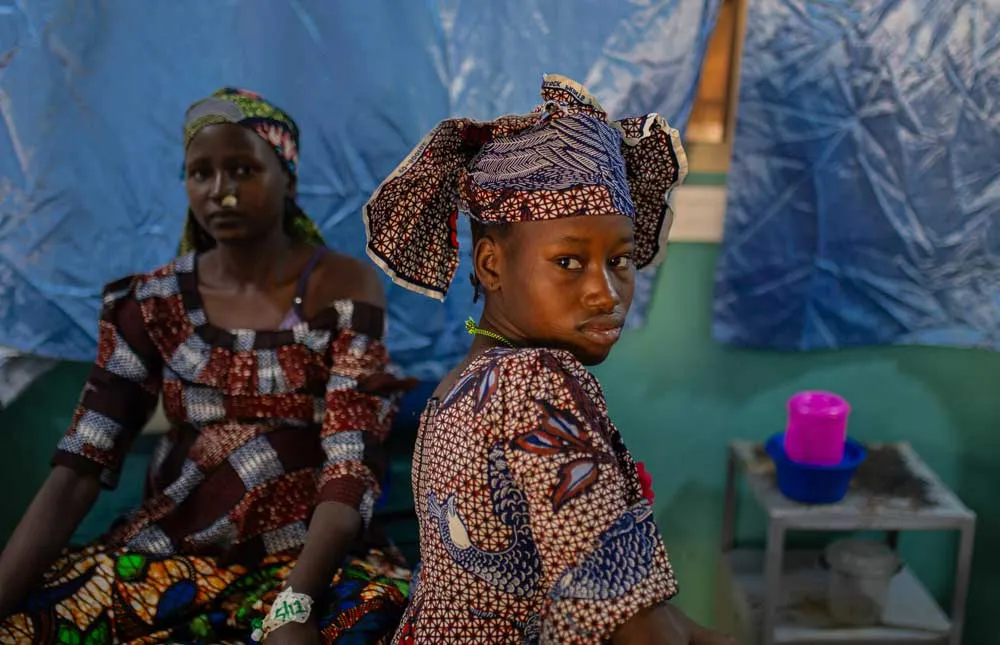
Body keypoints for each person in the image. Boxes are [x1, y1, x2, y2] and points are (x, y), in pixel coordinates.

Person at [0, 88, 411, 645]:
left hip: (309, 562)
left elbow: (350, 462)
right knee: (32, 622)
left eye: (243, 169)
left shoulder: (339, 286)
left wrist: (293, 607)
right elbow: (81, 464)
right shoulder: (151, 303)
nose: (222, 192)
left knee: (380, 619)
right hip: (174, 553)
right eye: (201, 174)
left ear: (286, 178)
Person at [363, 75, 734, 644]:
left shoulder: (460, 386)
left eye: (621, 259)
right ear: (491, 266)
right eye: (568, 262)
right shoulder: (533, 381)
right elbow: (636, 626)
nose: (606, 293)